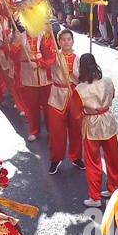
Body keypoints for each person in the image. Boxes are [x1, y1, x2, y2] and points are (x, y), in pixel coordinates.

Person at [76, 53, 118, 208]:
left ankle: (95, 197)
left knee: (92, 162)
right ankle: (115, 188)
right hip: (108, 121)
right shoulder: (108, 81)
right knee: (113, 158)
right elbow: (113, 96)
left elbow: (76, 110)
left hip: (91, 125)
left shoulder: (80, 88)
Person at [46, 29, 84, 175]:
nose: (66, 42)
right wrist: (47, 34)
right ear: (59, 42)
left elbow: (84, 78)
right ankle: (55, 159)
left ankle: (76, 157)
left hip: (74, 96)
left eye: (69, 39)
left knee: (75, 129)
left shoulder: (79, 58)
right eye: (63, 39)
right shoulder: (54, 55)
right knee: (56, 130)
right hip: (56, 96)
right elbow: (46, 54)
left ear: (73, 41)